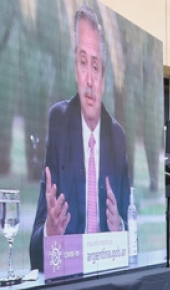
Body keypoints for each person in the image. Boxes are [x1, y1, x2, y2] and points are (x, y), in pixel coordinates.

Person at [29, 5, 130, 272]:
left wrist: (119, 228)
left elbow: (133, 239)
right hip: (70, 283)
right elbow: (35, 248)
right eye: (83, 62)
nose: (88, 79)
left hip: (108, 280)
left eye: (95, 67)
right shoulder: (59, 123)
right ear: (75, 68)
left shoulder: (118, 138)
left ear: (104, 77)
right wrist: (51, 232)